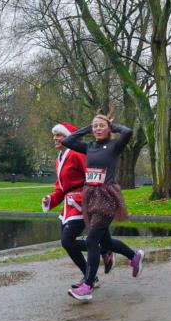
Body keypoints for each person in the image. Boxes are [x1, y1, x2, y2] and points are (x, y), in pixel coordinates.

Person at [61, 112, 143, 302]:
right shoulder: (89, 146)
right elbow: (68, 141)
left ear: (108, 129)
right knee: (104, 243)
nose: (97, 129)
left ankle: (87, 286)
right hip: (91, 196)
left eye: (101, 126)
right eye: (94, 126)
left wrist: (112, 126)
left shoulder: (114, 146)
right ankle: (134, 256)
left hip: (107, 196)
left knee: (91, 241)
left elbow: (128, 131)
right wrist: (88, 128)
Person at [44, 122, 129, 290]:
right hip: (69, 207)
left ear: (67, 136)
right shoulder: (59, 159)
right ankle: (96, 266)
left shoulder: (77, 154)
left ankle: (91, 275)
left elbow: (93, 174)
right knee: (71, 243)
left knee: (68, 240)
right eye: (54, 135)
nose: (55, 138)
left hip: (84, 203)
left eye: (59, 135)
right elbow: (60, 186)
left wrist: (95, 198)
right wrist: (51, 199)